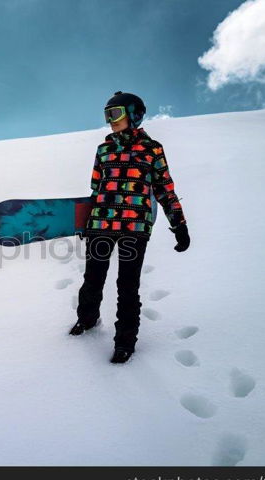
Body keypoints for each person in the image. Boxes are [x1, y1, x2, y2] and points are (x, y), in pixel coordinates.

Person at [69, 91, 190, 364]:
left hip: (135, 228)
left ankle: (125, 341)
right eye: (107, 115)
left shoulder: (152, 149)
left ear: (133, 115)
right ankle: (87, 320)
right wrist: (84, 222)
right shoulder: (104, 149)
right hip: (101, 223)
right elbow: (95, 189)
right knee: (93, 278)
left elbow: (165, 190)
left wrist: (179, 224)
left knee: (127, 284)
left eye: (115, 113)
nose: (110, 120)